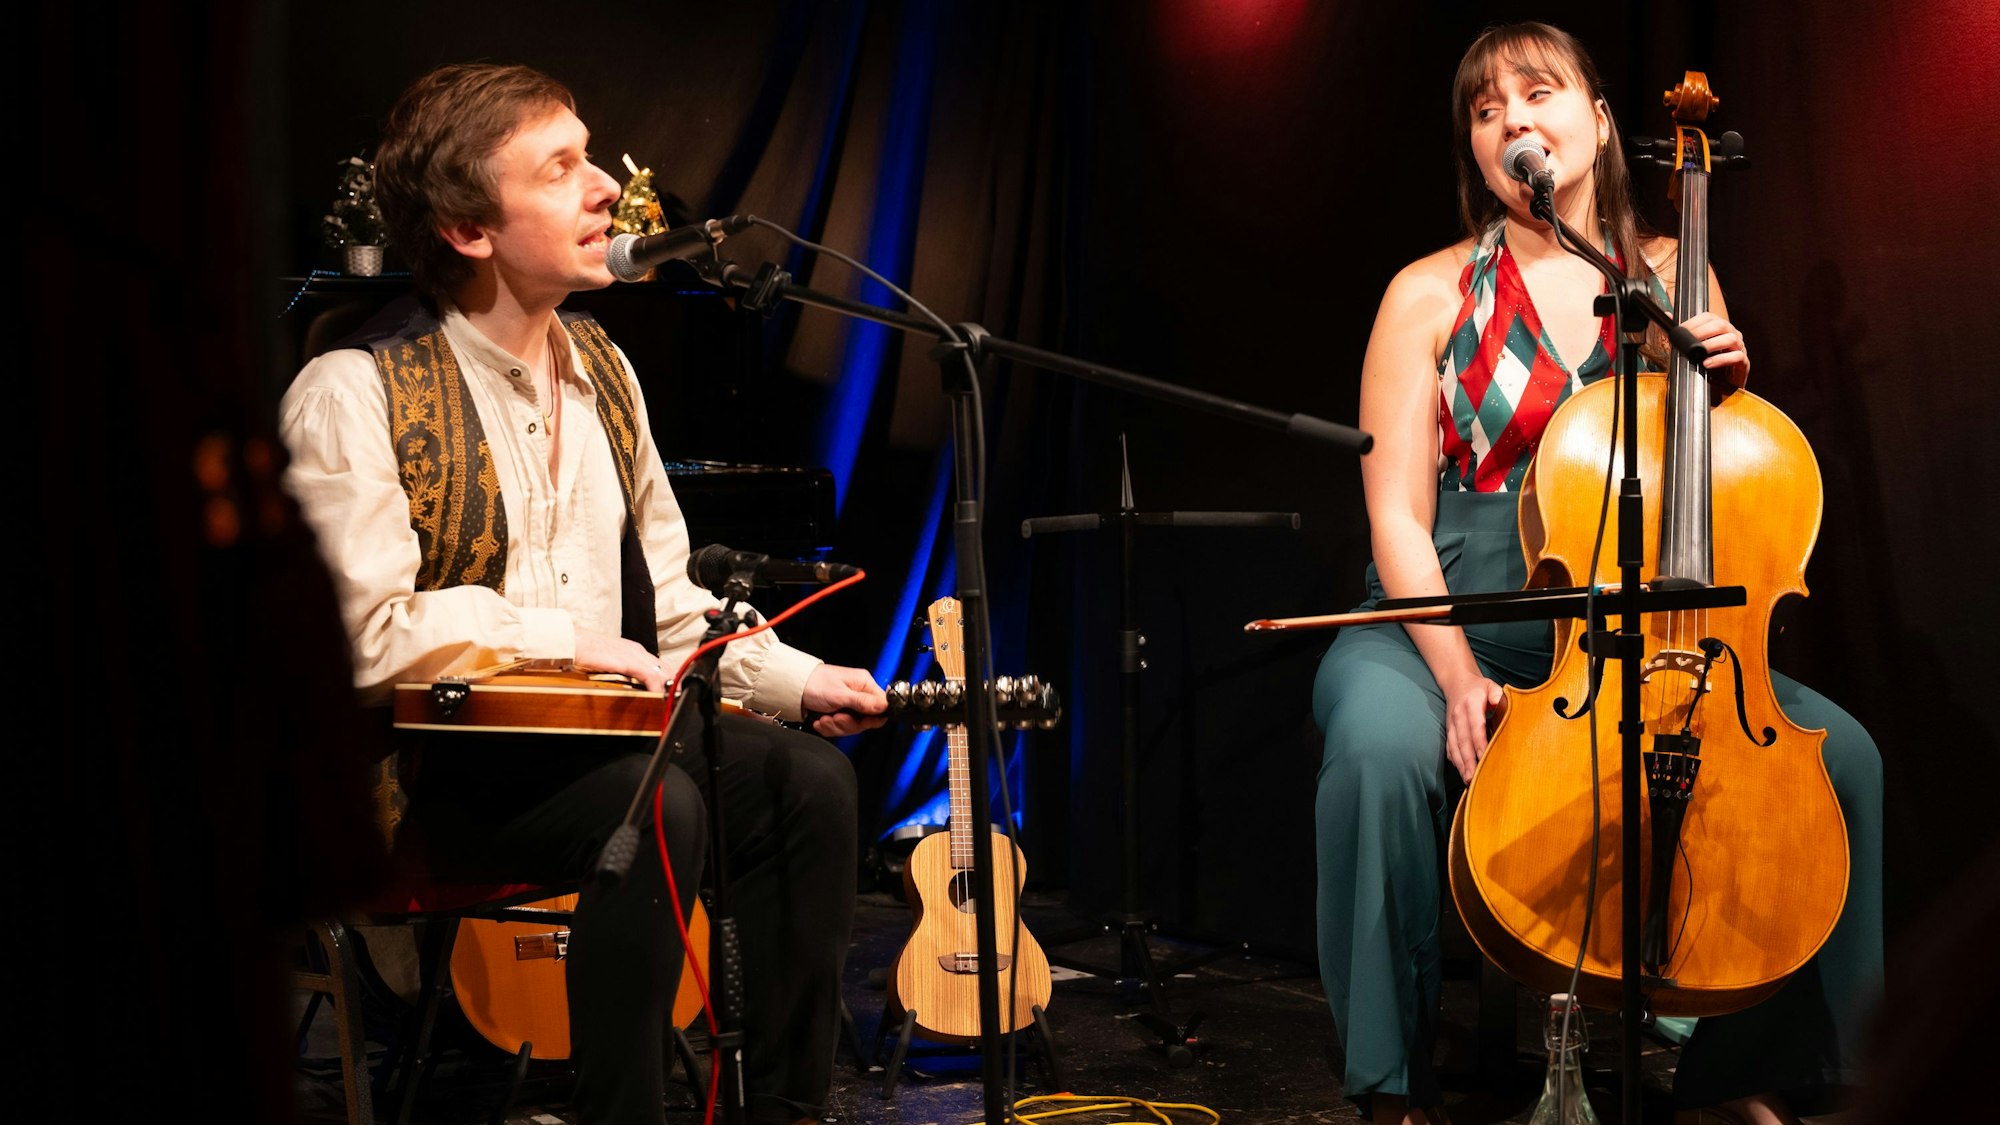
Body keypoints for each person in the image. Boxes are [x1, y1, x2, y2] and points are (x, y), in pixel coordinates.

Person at [279, 63, 889, 1125]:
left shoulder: (604, 370)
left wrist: (793, 680)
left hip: (591, 746)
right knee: (655, 803)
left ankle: (783, 1112)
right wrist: (555, 636)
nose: (607, 186)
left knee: (805, 786)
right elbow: (352, 640)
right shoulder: (354, 389)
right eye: (561, 167)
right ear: (469, 228)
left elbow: (668, 608)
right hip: (420, 779)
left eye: (591, 154)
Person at [1309, 23, 1882, 1125]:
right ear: (1474, 148)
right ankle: (1390, 1091)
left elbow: (1705, 492)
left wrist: (1725, 387)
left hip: (1620, 630)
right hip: (1438, 615)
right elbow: (1393, 512)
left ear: (1599, 120)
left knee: (1840, 763)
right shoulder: (1424, 293)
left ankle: (1741, 1074)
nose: (1512, 120)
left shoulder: (1669, 272)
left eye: (1537, 93)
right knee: (1377, 757)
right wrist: (1454, 674)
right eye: (1485, 109)